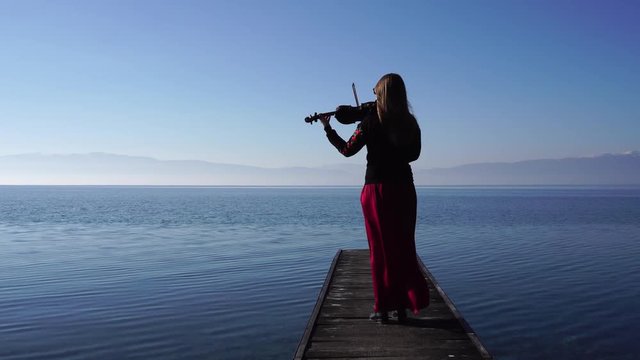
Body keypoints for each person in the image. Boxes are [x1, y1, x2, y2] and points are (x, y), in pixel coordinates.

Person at [318, 73, 429, 323]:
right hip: (403, 190)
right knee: (403, 247)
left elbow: (347, 150)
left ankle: (383, 307)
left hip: (376, 191)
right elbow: (414, 155)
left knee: (380, 250)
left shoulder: (370, 121)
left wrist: (328, 128)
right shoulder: (410, 123)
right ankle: (404, 306)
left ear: (381, 94)